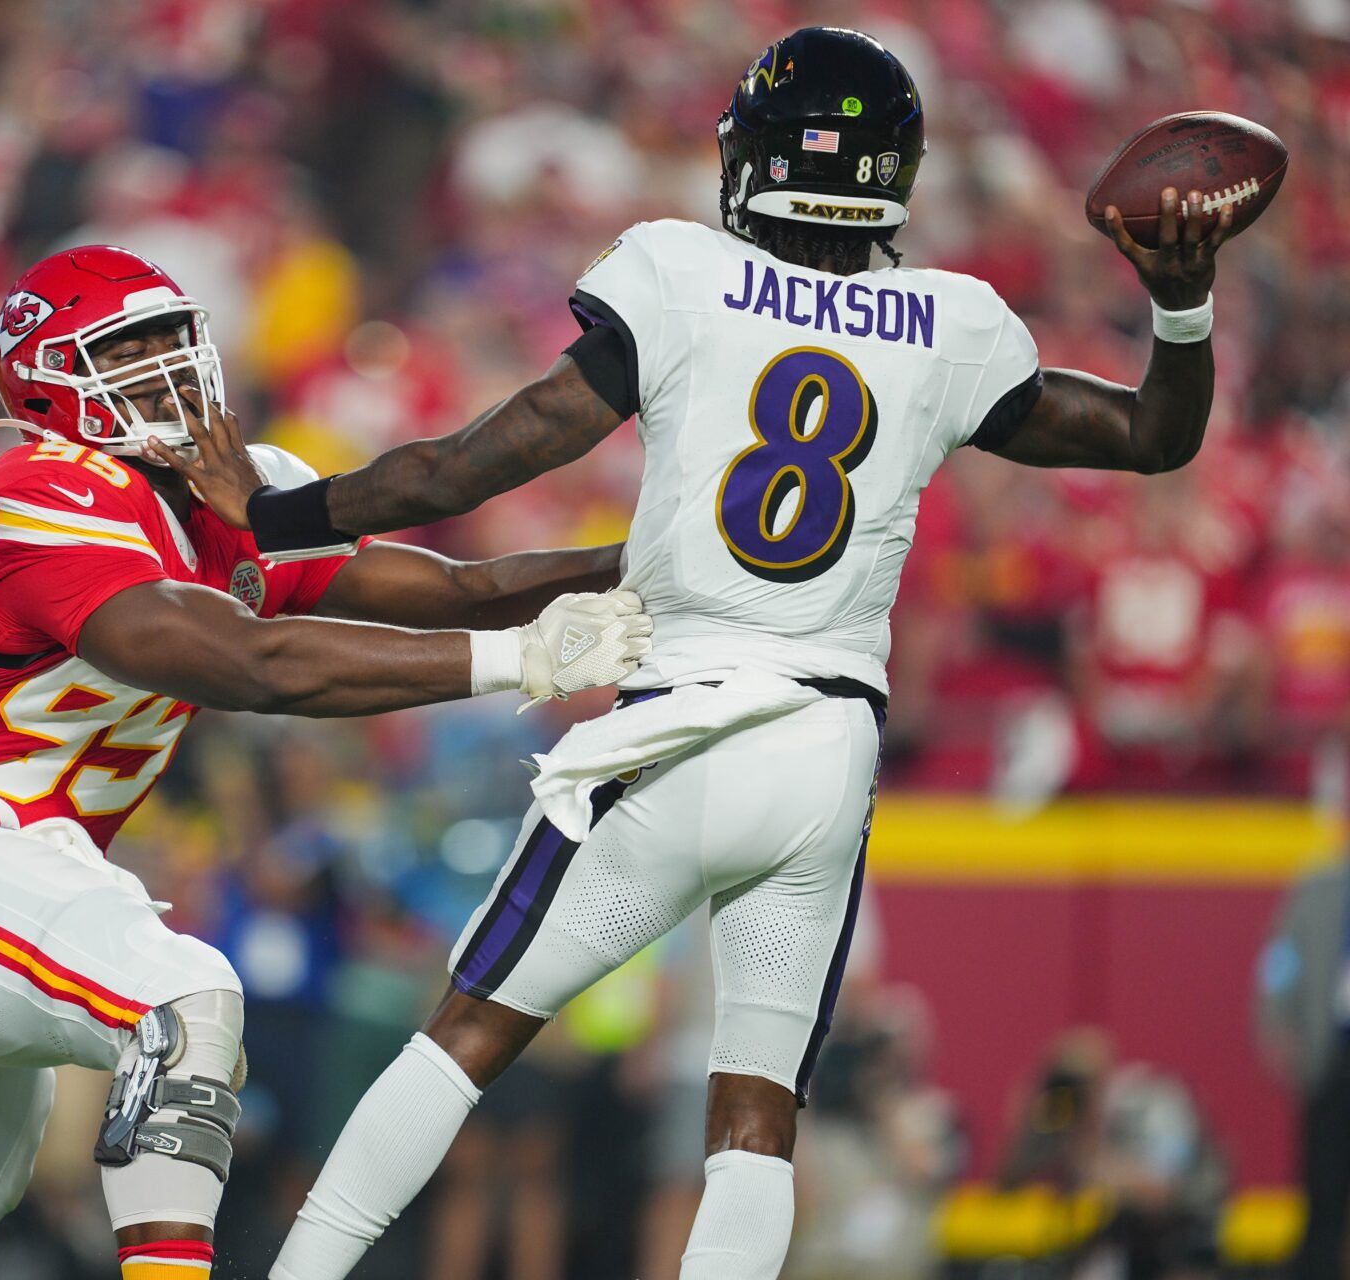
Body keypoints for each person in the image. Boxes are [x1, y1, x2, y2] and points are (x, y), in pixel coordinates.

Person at [156, 27, 1236, 1280]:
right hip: (826, 747)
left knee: (463, 1035)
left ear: (755, 157)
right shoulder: (950, 324)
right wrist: (1182, 294)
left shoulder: (680, 273)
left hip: (678, 727)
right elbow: (1158, 436)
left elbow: (475, 464)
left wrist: (278, 511)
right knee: (756, 1116)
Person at [0, 243, 651, 1280]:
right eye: (124, 350)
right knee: (183, 1002)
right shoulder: (47, 485)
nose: (165, 368)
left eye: (170, 339)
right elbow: (252, 661)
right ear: (51, 382)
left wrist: (661, 559)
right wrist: (521, 660)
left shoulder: (239, 491)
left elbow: (462, 586)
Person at [1257, 844, 1350, 1279]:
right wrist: (1276, 1019)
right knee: (1325, 1191)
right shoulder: (1320, 888)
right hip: (1334, 1059)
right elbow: (1281, 963)